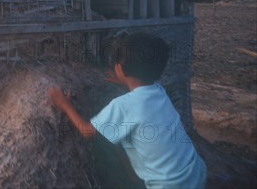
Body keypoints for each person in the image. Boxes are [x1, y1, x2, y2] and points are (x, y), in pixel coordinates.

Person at [47, 32, 207, 189]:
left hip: (167, 185)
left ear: (119, 68)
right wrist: (126, 81)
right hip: (194, 171)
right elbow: (140, 96)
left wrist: (65, 105)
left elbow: (87, 131)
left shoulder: (122, 106)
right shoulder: (159, 92)